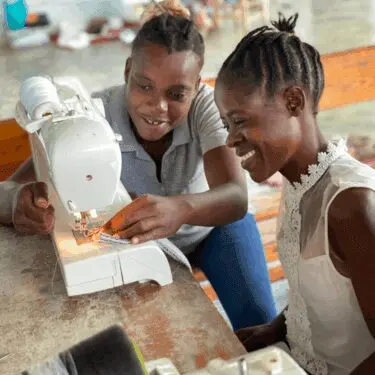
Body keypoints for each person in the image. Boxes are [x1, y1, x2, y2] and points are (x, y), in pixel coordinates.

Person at [0, 0, 277, 331]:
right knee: (147, 334)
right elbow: (7, 189)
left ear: (196, 86)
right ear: (127, 71)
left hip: (215, 232)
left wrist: (180, 210)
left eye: (177, 94)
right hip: (140, 240)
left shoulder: (205, 106)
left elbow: (234, 197)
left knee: (260, 324)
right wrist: (15, 202)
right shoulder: (92, 118)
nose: (158, 106)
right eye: (144, 85)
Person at [214, 12, 375, 375]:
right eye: (226, 124)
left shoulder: (351, 204)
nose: (229, 138)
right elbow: (315, 289)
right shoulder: (298, 182)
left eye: (239, 121)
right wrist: (274, 331)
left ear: (292, 101)